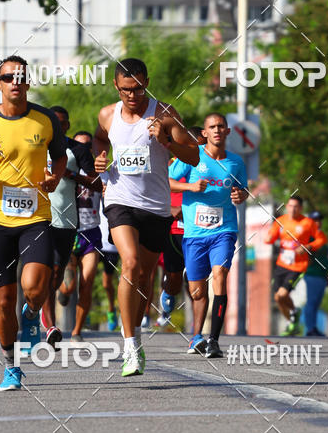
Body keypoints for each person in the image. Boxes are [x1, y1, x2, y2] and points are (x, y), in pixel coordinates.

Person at [93, 57, 199, 377]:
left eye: (139, 89)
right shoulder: (108, 115)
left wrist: (166, 141)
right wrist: (99, 157)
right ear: (116, 86)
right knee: (130, 263)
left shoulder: (165, 114)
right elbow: (100, 139)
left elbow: (194, 155)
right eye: (126, 89)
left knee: (145, 276)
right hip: (119, 199)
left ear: (147, 83)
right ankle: (129, 345)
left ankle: (136, 335)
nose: (132, 95)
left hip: (155, 206)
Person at [0, 56, 67, 391]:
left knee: (35, 288)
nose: (15, 81)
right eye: (8, 76)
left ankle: (31, 314)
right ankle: (11, 367)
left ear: (28, 82)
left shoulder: (45, 119)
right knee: (3, 300)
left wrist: (55, 177)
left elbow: (60, 156)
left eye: (20, 76)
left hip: (35, 218)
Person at [169, 113, 248, 357]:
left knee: (220, 275)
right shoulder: (192, 156)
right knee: (197, 292)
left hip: (224, 230)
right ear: (204, 133)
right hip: (194, 233)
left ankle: (213, 340)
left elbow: (243, 189)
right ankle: (196, 337)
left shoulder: (236, 162)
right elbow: (166, 180)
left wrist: (241, 195)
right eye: (212, 127)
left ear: (227, 131)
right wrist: (190, 186)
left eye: (220, 126)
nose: (216, 130)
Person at [40, 107, 96, 347]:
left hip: (67, 220)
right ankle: (51, 326)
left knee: (57, 274)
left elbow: (97, 183)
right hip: (39, 218)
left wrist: (70, 175)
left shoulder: (78, 150)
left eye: (61, 122)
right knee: (46, 271)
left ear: (67, 125)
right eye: (52, 121)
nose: (57, 126)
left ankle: (41, 306)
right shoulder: (36, 146)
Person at [157, 125, 204, 327]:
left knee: (197, 279)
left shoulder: (209, 164)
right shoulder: (172, 164)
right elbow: (156, 189)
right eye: (198, 146)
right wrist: (171, 207)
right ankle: (169, 291)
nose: (201, 150)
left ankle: (197, 328)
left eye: (204, 146)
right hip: (175, 228)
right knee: (175, 278)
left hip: (200, 227)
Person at [265, 195, 327, 336]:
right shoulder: (280, 221)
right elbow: (271, 237)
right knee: (278, 298)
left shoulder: (307, 223)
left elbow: (321, 239)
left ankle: (294, 315)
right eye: (291, 206)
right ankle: (292, 322)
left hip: (298, 266)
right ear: (287, 206)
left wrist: (308, 246)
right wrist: (269, 238)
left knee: (283, 294)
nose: (293, 209)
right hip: (281, 264)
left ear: (301, 208)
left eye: (296, 207)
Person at [70, 130, 103, 341]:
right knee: (68, 285)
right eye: (77, 146)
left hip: (91, 232)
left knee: (87, 281)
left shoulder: (100, 172)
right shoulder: (64, 167)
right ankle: (64, 293)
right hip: (68, 231)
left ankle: (77, 331)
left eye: (87, 146)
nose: (82, 150)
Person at [303, 211, 328, 337]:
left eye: (319, 220)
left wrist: (326, 275)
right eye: (315, 220)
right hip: (312, 273)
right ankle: (310, 329)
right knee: (311, 301)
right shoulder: (308, 236)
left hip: (321, 275)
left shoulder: (321, 235)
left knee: (317, 302)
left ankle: (313, 327)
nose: (318, 222)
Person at [99, 197, 119, 331]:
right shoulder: (95, 190)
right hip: (95, 242)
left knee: (107, 283)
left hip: (111, 246)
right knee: (86, 279)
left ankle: (111, 309)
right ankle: (85, 311)